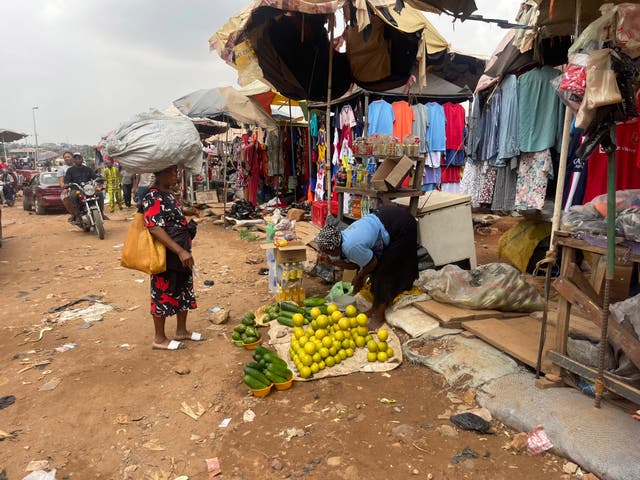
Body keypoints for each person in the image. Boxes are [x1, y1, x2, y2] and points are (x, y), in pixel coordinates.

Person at [315, 205, 418, 329]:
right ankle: (374, 308)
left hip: (401, 224)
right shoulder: (342, 238)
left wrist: (359, 277)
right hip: (386, 217)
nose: (329, 255)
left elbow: (372, 262)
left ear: (334, 248)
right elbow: (355, 264)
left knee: (382, 273)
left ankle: (379, 316)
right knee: (375, 271)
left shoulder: (351, 246)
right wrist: (332, 262)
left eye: (329, 253)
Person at [142, 165, 202, 350]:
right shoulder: (152, 196)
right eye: (173, 173)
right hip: (169, 253)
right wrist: (179, 251)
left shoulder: (167, 194)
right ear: (161, 174)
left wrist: (188, 212)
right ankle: (159, 339)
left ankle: (181, 331)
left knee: (183, 288)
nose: (177, 176)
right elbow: (154, 226)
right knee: (163, 292)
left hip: (182, 249)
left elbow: (170, 213)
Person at [64, 153, 105, 221]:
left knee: (99, 194)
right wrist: (66, 184)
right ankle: (77, 215)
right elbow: (67, 180)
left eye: (79, 158)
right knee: (73, 196)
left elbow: (94, 176)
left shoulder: (87, 169)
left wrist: (100, 179)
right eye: (76, 159)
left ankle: (101, 213)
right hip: (76, 189)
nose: (78, 160)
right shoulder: (70, 170)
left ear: (82, 159)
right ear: (73, 160)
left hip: (88, 189)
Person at [57, 151, 75, 219]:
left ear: (72, 157)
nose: (67, 158)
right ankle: (74, 214)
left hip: (82, 187)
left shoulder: (80, 165)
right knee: (64, 196)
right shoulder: (62, 169)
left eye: (68, 157)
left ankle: (100, 212)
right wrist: (64, 187)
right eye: (65, 157)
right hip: (70, 188)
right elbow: (61, 181)